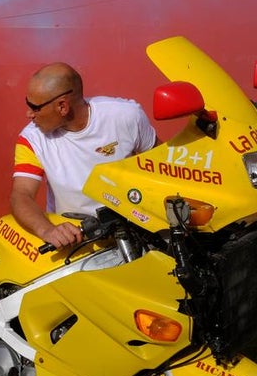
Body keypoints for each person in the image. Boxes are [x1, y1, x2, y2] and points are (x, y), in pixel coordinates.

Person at [10, 62, 156, 249]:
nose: (28, 114)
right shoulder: (31, 139)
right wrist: (48, 231)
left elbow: (160, 167)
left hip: (136, 235)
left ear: (62, 106)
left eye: (34, 107)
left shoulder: (127, 116)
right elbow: (21, 195)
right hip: (76, 245)